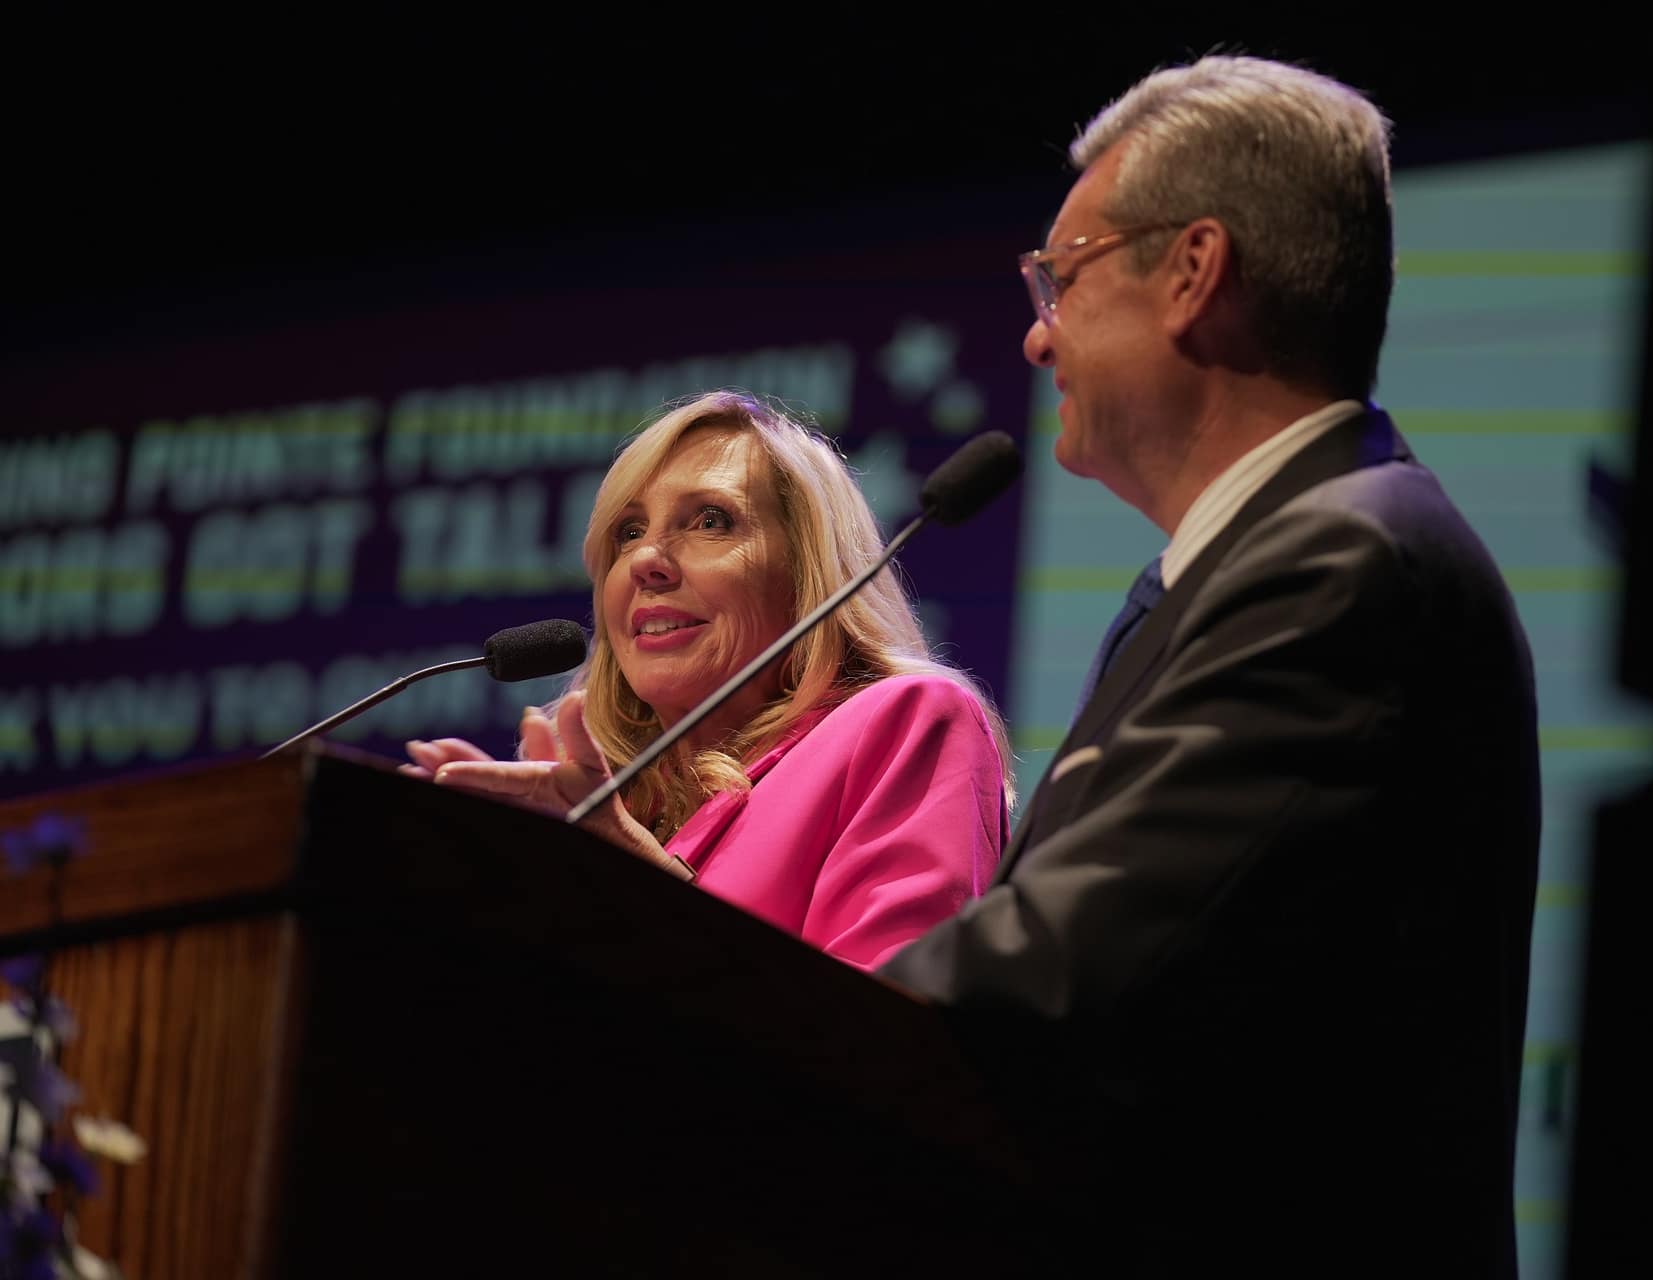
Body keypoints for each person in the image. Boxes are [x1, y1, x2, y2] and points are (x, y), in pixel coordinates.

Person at [879, 56, 1542, 1273]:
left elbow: (1050, 984)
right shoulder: (1242, 571)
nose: (1035, 335)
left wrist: (693, 984)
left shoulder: (1346, 564)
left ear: (1192, 273)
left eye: (1060, 277)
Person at [406, 390, 1014, 972]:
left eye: (711, 520)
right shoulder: (598, 804)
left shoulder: (905, 721)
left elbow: (886, 1040)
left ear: (808, 574)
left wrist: (635, 883)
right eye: (628, 532)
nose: (646, 559)